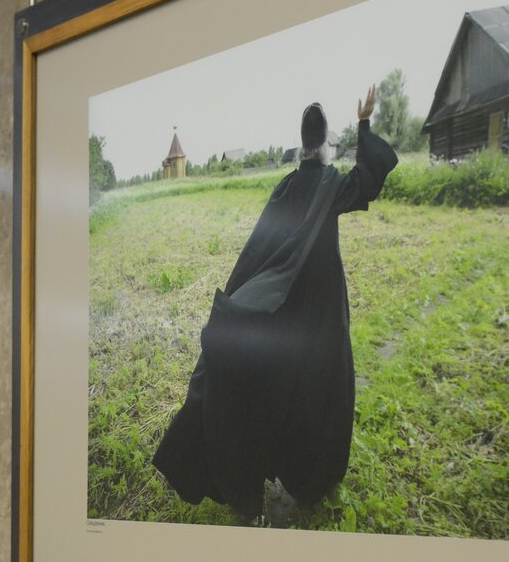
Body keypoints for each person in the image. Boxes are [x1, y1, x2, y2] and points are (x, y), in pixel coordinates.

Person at [151, 86, 398, 520]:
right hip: (319, 312)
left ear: (301, 143)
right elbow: (369, 179)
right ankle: (311, 480)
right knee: (320, 390)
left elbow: (258, 251)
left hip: (280, 310)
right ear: (325, 143)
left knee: (279, 389)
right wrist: (364, 123)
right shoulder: (332, 184)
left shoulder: (286, 186)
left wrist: (240, 300)